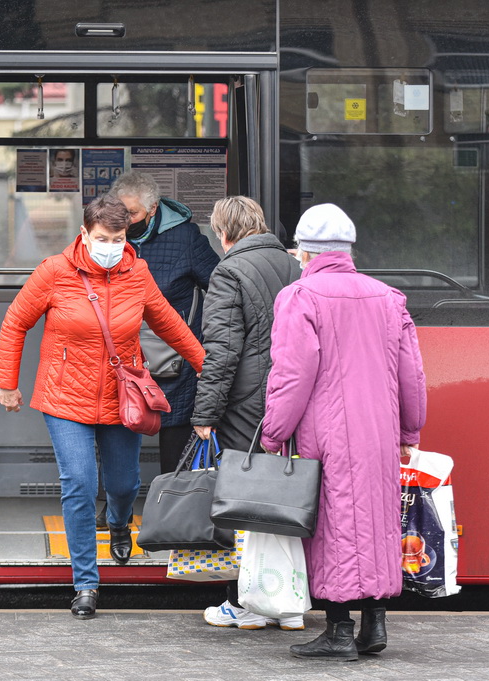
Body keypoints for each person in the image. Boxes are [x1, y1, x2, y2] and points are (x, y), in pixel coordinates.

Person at [0, 194, 204, 620]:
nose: (112, 245)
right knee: (79, 484)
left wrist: (209, 369)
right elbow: (16, 321)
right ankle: (86, 582)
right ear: (85, 235)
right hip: (64, 397)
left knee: (124, 485)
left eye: (120, 237)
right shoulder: (54, 272)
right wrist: (6, 385)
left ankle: (120, 522)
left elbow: (170, 324)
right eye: (104, 238)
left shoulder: (137, 272)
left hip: (120, 397)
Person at [260, 203, 427, 661]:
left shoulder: (300, 297)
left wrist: (273, 433)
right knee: (373, 523)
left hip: (325, 432)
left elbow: (292, 375)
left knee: (332, 527)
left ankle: (337, 630)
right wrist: (409, 430)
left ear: (305, 252)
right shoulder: (389, 298)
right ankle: (374, 624)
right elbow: (410, 374)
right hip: (378, 432)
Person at [190, 196, 302, 632]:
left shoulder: (229, 271)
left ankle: (248, 605)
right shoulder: (296, 267)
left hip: (247, 405)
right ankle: (291, 604)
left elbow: (222, 352)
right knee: (288, 500)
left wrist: (205, 413)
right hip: (293, 399)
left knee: (248, 505)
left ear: (223, 233)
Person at [110, 171, 219, 477]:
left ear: (153, 209)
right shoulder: (105, 235)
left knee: (174, 435)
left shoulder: (185, 237)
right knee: (116, 432)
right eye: (121, 212)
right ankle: (115, 509)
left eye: (133, 213)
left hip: (176, 359)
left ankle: (171, 507)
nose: (127, 220)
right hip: (122, 357)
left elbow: (220, 286)